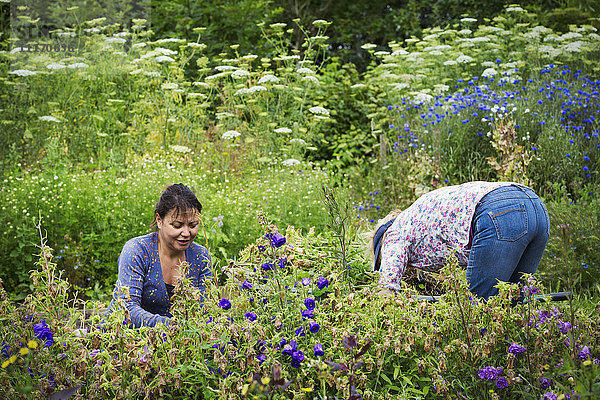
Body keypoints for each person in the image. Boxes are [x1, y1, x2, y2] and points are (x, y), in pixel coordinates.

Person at [368, 181, 550, 300]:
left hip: (499, 213)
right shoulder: (416, 216)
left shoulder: (394, 233)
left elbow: (387, 291)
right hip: (536, 208)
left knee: (477, 311)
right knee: (512, 302)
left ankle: (483, 360)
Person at [108, 183, 213, 327]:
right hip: (126, 337)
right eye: (177, 225)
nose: (186, 233)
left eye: (193, 225)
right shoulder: (137, 251)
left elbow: (205, 308)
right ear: (159, 220)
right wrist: (173, 326)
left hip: (180, 343)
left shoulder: (200, 256)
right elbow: (127, 308)